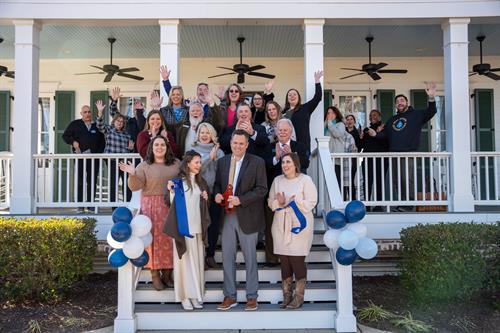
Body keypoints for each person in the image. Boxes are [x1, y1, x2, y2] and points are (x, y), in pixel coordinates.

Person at [214, 130, 267, 311]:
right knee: (227, 257)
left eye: (241, 143)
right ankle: (230, 295)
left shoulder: (257, 162)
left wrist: (241, 200)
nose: (237, 146)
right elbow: (217, 186)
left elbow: (262, 189)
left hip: (247, 214)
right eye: (234, 143)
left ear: (247, 144)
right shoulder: (222, 162)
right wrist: (217, 195)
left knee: (250, 257)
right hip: (227, 215)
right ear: (231, 143)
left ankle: (252, 296)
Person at [120, 136, 180, 290]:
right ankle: (154, 274)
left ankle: (167, 274)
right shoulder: (144, 166)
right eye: (156, 145)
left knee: (169, 239)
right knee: (153, 240)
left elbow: (186, 179)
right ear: (151, 148)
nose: (159, 147)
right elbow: (134, 187)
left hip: (171, 206)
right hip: (151, 207)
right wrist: (132, 174)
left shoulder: (176, 164)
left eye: (162, 145)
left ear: (167, 147)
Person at [367, 82, 437, 211]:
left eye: (402, 100)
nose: (399, 103)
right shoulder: (392, 120)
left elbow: (431, 111)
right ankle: (401, 203)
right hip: (393, 153)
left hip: (407, 152)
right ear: (395, 105)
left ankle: (408, 204)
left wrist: (431, 98)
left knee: (406, 178)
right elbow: (385, 135)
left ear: (407, 102)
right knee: (396, 181)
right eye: (397, 101)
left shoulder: (415, 115)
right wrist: (375, 134)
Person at [268, 153, 318, 309]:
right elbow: (270, 202)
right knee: (285, 261)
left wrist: (295, 201)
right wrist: (280, 202)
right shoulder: (277, 180)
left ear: (295, 164)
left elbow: (312, 202)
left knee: (296, 260)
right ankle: (287, 295)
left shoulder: (305, 180)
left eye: (288, 162)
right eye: (283, 162)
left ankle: (299, 297)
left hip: (299, 224)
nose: (285, 165)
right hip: (281, 223)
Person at [164, 150, 211, 311]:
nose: (199, 165)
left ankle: (196, 295)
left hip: (198, 229)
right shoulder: (178, 182)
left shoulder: (201, 182)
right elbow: (170, 203)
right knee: (184, 265)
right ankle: (185, 296)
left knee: (197, 264)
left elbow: (205, 206)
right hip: (183, 229)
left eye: (200, 162)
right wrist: (170, 191)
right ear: (188, 163)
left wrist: (205, 198)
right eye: (197, 162)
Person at [263, 119, 309, 266]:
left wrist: (292, 155)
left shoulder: (298, 147)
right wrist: (277, 158)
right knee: (272, 227)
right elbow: (264, 165)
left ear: (290, 132)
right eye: (280, 130)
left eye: (285, 130)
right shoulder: (269, 147)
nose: (282, 132)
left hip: (295, 195)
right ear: (276, 132)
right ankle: (271, 258)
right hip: (275, 193)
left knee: (293, 226)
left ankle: (291, 258)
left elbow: (306, 163)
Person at [191, 123, 225, 269]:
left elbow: (221, 173)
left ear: (212, 135)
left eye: (207, 133)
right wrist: (209, 159)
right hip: (197, 195)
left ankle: (209, 255)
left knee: (213, 225)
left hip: (214, 194)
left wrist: (215, 157)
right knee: (199, 225)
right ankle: (199, 256)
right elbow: (193, 170)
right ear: (198, 134)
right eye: (202, 132)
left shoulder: (220, 152)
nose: (204, 135)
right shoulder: (192, 151)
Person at [62, 104, 105, 210]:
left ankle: (90, 205)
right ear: (81, 114)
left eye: (89, 112)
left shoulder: (96, 126)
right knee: (80, 181)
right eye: (85, 112)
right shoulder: (75, 124)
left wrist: (98, 154)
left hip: (94, 159)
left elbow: (102, 142)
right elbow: (65, 136)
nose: (87, 114)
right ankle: (80, 205)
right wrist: (73, 142)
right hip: (80, 158)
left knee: (92, 181)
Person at [160, 66, 225, 134]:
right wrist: (166, 81)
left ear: (208, 92)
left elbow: (218, 117)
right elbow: (175, 96)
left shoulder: (212, 107)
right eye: (200, 89)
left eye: (205, 90)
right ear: (196, 91)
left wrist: (221, 101)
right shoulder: (189, 104)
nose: (202, 92)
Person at [95, 100, 134, 206]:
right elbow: (99, 125)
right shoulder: (109, 129)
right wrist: (100, 112)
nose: (120, 123)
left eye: (122, 121)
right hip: (113, 161)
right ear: (114, 121)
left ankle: (127, 205)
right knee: (114, 184)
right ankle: (114, 207)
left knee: (127, 184)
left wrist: (131, 147)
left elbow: (129, 149)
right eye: (118, 121)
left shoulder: (126, 135)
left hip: (125, 161)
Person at [283, 70, 323, 153]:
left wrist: (317, 81)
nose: (292, 96)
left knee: (302, 166)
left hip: (303, 146)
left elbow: (317, 97)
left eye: (295, 94)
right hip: (287, 146)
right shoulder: (283, 113)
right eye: (290, 95)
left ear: (298, 97)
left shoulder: (305, 108)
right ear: (287, 99)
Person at [136, 91, 179, 159]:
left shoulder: (167, 134)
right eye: (152, 119)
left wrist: (166, 139)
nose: (155, 121)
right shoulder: (142, 135)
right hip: (150, 166)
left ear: (161, 121)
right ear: (148, 121)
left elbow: (175, 152)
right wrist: (153, 137)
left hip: (166, 165)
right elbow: (144, 154)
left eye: (158, 119)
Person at [361, 109, 389, 211]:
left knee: (379, 182)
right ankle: (367, 205)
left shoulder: (385, 128)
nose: (373, 117)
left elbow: (386, 142)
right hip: (368, 159)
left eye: (376, 115)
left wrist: (378, 133)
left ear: (380, 117)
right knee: (367, 182)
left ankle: (378, 205)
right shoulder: (366, 130)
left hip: (381, 159)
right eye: (371, 115)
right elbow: (361, 146)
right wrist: (361, 138)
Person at [109, 86, 146, 153]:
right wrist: (114, 101)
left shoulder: (148, 121)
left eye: (139, 109)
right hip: (130, 154)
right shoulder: (128, 120)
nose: (137, 111)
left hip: (144, 152)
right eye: (135, 109)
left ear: (143, 110)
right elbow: (114, 114)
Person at [324, 106, 346, 189]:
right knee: (327, 181)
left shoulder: (340, 124)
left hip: (336, 158)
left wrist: (329, 122)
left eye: (333, 113)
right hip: (326, 157)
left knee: (336, 181)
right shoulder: (325, 125)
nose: (330, 115)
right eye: (328, 113)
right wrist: (327, 122)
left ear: (336, 114)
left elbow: (337, 134)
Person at [345, 115, 362, 200]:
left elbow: (360, 146)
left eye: (351, 119)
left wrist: (361, 138)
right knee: (344, 180)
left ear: (354, 121)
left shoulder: (357, 132)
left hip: (353, 159)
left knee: (351, 179)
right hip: (344, 159)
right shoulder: (343, 131)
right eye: (347, 119)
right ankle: (344, 199)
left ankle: (353, 200)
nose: (349, 121)